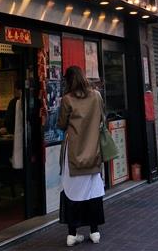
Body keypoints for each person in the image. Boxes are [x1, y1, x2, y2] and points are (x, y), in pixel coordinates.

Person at [57, 66, 105, 247]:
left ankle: (72, 234)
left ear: (69, 81)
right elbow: (102, 118)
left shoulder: (67, 99)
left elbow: (62, 124)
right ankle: (94, 232)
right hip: (93, 151)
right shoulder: (96, 96)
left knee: (71, 192)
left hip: (73, 154)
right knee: (93, 192)